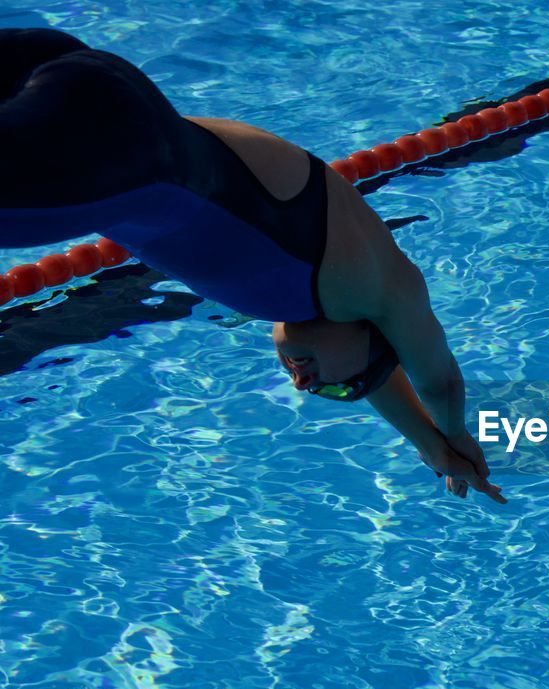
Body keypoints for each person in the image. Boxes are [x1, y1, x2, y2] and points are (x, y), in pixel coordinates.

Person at [0, 27, 504, 503]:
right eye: (334, 388)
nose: (303, 385)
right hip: (109, 145)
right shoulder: (372, 287)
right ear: (377, 335)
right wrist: (454, 438)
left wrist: (427, 444)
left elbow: (372, 369)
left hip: (82, 83)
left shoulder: (334, 294)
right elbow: (436, 381)